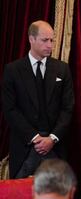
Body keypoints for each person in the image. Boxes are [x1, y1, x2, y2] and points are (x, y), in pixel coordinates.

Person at [1, 20, 74, 179]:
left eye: (52, 40)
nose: (50, 45)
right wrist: (35, 138)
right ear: (31, 39)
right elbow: (10, 110)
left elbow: (67, 108)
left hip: (55, 148)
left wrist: (52, 138)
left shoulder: (62, 69)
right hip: (24, 149)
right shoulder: (13, 70)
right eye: (45, 40)